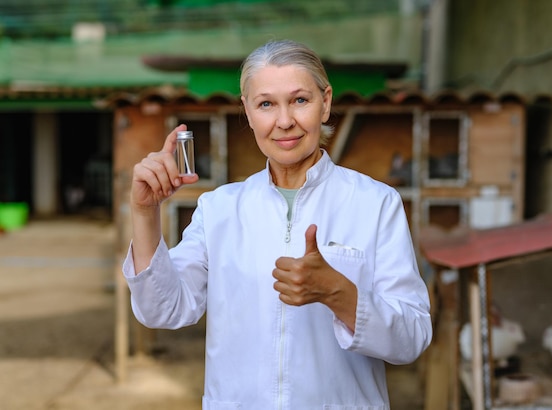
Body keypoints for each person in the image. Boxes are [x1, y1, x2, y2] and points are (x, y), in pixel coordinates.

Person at [123, 39, 432, 409]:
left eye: (300, 100)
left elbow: (413, 338)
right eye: (266, 104)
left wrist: (341, 295)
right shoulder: (219, 209)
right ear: (248, 113)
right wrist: (144, 214)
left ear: (326, 103)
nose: (284, 121)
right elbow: (163, 309)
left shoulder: (376, 204)